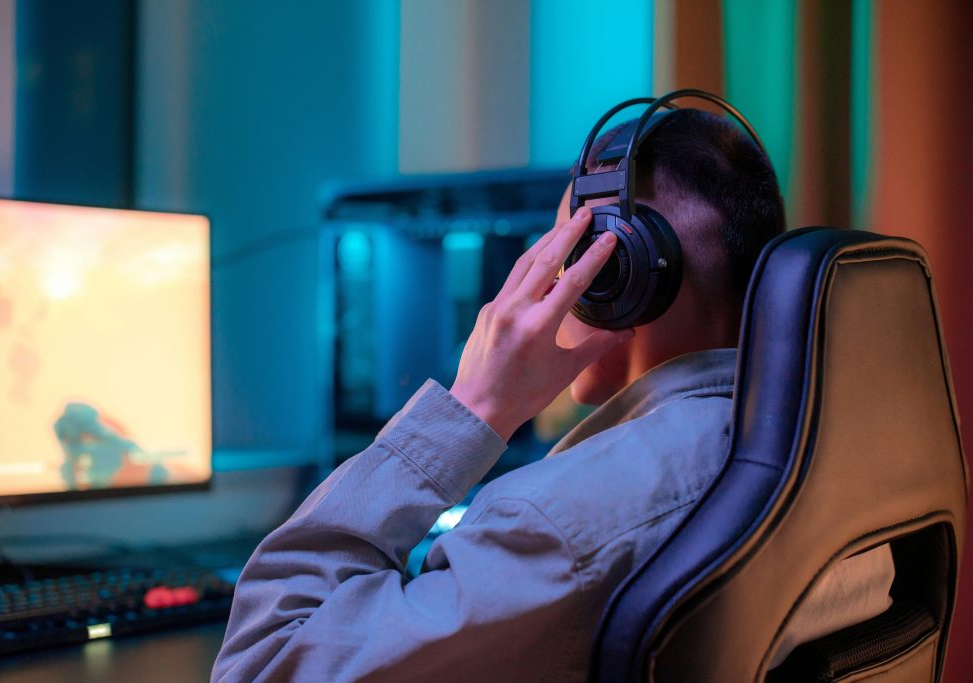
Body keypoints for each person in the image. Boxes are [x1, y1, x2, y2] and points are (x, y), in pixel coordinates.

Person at [211, 109, 893, 682]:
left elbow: (261, 662)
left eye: (563, 251)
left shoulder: (560, 525)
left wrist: (474, 406)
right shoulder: (834, 451)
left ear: (615, 272)